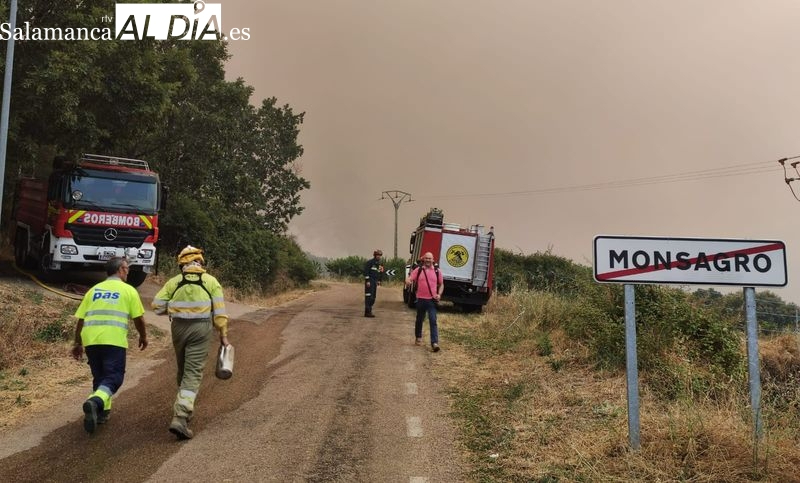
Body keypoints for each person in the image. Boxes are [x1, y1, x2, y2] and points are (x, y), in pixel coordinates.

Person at [151, 245, 229, 440]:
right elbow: (219, 313)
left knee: (183, 369)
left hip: (178, 328)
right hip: (201, 329)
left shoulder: (174, 282)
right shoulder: (211, 282)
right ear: (201, 262)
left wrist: (174, 308)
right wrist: (223, 335)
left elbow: (157, 307)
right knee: (192, 372)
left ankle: (183, 406)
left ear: (182, 264)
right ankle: (181, 415)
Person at [71, 257, 148, 434]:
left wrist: (78, 343)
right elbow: (139, 318)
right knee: (114, 377)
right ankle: (95, 402)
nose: (128, 272)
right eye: (127, 268)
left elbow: (81, 320)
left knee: (100, 377)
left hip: (91, 340)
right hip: (113, 340)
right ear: (121, 269)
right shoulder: (128, 291)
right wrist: (143, 337)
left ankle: (102, 413)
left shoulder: (93, 291)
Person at [404, 251, 444, 352]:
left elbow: (441, 284)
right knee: (419, 319)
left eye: (430, 258)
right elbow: (410, 278)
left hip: (432, 300)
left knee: (433, 320)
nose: (428, 260)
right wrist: (408, 281)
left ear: (433, 260)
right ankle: (418, 337)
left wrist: (439, 294)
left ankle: (434, 343)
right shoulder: (419, 270)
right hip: (421, 299)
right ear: (423, 259)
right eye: (426, 258)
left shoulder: (437, 271)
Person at [363, 249, 384, 317]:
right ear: (375, 255)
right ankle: (367, 312)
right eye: (378, 255)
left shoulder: (380, 264)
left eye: (380, 255)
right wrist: (367, 281)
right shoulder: (370, 262)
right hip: (370, 282)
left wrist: (379, 280)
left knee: (373, 298)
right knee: (369, 297)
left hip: (375, 282)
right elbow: (366, 272)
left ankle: (369, 311)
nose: (379, 257)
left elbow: (380, 273)